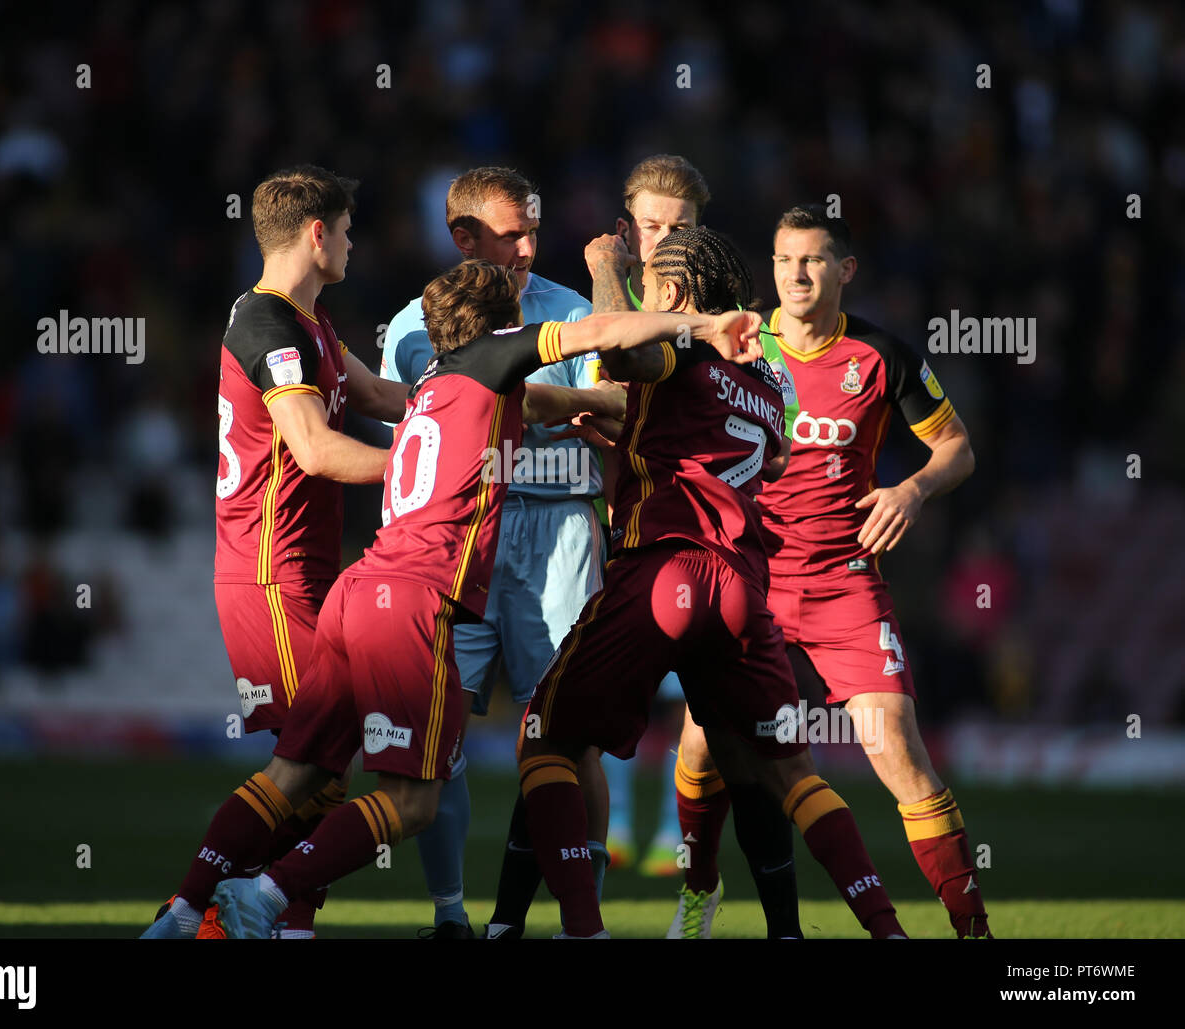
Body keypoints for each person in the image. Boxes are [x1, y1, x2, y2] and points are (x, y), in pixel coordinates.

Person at [142, 258, 765, 939]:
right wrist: (702, 323)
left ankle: (177, 912)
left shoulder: (435, 382)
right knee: (411, 800)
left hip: (360, 585)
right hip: (415, 598)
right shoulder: (495, 357)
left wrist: (612, 409)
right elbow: (604, 328)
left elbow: (549, 403)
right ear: (507, 324)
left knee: (293, 770)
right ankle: (265, 894)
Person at [518, 227, 906, 940]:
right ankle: (886, 930)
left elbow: (617, 352)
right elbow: (767, 459)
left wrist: (608, 272)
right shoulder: (767, 379)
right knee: (788, 772)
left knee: (544, 740)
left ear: (672, 294)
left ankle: (579, 927)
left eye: (654, 285)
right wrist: (630, 444)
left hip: (664, 568)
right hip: (742, 589)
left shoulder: (683, 344)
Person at [674, 204, 990, 938]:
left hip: (844, 583)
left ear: (845, 270)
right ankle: (698, 890)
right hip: (747, 576)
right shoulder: (740, 342)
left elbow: (958, 451)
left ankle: (974, 929)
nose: (796, 274)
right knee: (698, 746)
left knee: (900, 755)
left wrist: (912, 487)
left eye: (813, 260)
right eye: (784, 260)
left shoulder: (883, 357)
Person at [153, 164, 410, 940]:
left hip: (300, 572)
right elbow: (317, 449)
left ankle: (226, 918)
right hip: (270, 571)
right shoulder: (265, 324)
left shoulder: (312, 325)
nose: (354, 243)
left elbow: (373, 397)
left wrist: (480, 406)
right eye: (348, 228)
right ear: (316, 233)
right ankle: (199, 912)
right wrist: (436, 464)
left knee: (320, 767)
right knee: (315, 767)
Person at [560, 155, 804, 940]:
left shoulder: (731, 332)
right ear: (631, 227)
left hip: (688, 552)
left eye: (681, 227)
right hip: (628, 540)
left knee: (683, 742)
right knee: (607, 740)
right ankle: (658, 884)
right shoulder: (594, 308)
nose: (665, 238)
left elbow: (616, 371)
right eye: (653, 224)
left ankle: (684, 879)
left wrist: (540, 395)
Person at [381, 167, 612, 938]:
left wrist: (550, 405)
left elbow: (620, 405)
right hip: (463, 539)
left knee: (566, 735)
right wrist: (552, 402)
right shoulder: (412, 327)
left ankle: (589, 912)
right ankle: (452, 914)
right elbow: (406, 440)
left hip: (562, 530)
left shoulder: (570, 309)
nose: (528, 247)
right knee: (436, 735)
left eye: (533, 230)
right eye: (511, 232)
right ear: (462, 237)